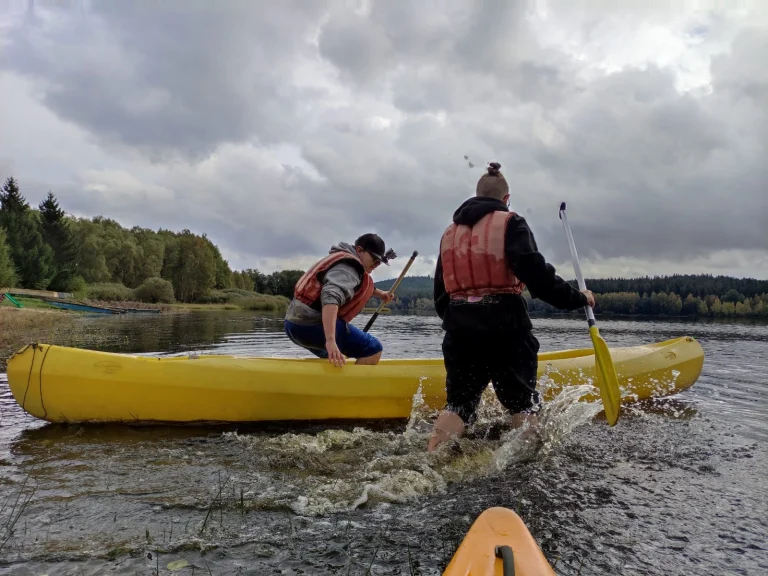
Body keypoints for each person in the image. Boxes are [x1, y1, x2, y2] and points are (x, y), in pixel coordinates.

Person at [427, 162, 596, 452]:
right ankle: (529, 463)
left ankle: (429, 460)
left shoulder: (449, 233)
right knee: (523, 403)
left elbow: (441, 291)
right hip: (506, 322)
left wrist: (457, 321)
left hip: (459, 326)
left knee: (459, 404)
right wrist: (578, 298)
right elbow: (537, 275)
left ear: (476, 195)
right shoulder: (511, 223)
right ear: (506, 199)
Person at [284, 233, 396, 367]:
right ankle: (350, 387)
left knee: (338, 358)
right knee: (372, 348)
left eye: (380, 261)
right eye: (374, 258)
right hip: (311, 326)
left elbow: (353, 285)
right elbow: (330, 297)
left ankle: (326, 384)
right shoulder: (349, 267)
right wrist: (330, 340)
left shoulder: (344, 262)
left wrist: (381, 294)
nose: (377, 264)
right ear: (359, 250)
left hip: (292, 324)